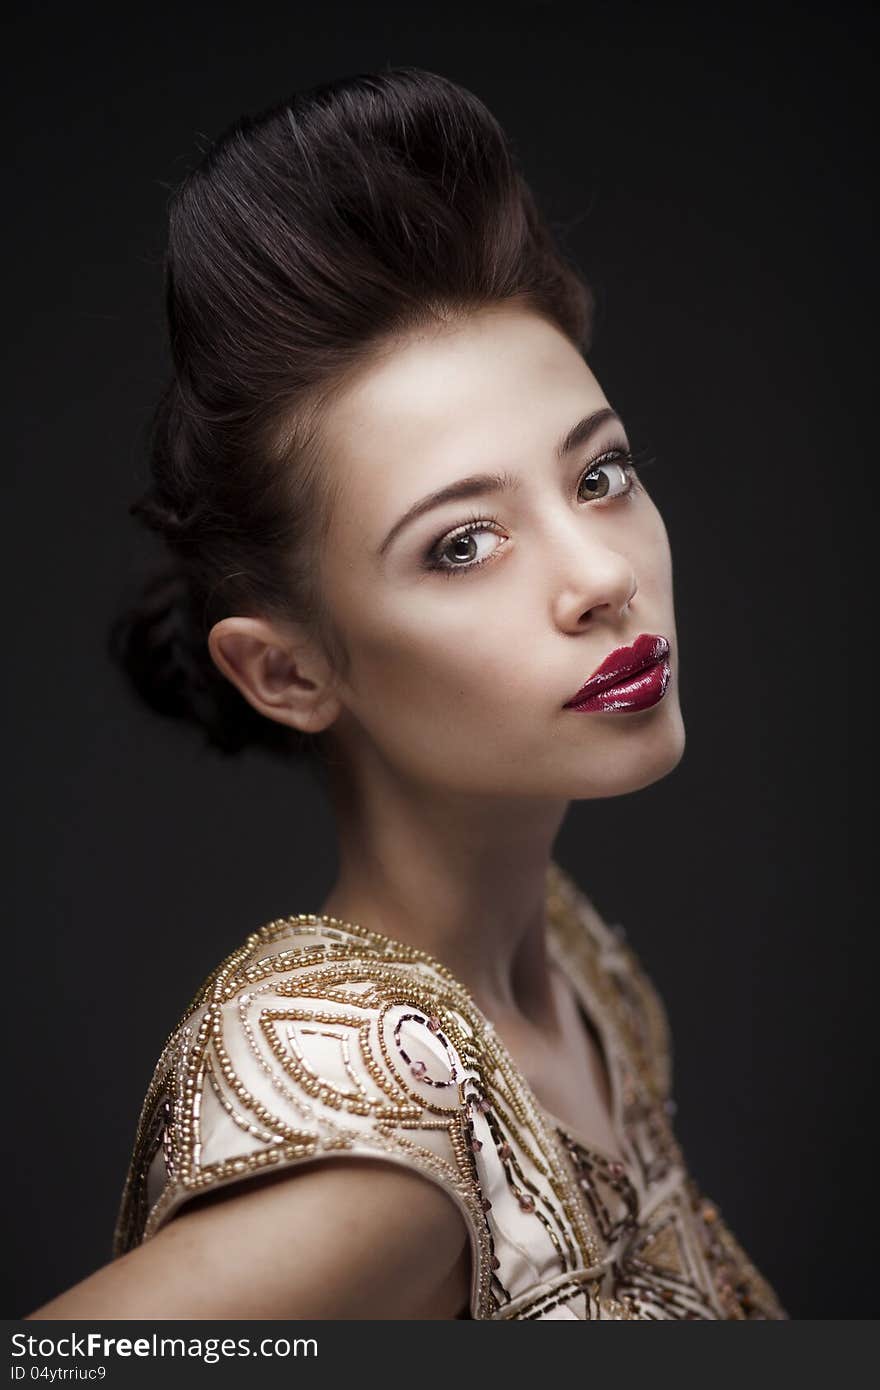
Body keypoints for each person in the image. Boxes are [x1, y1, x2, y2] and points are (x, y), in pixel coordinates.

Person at [25, 66, 787, 1321]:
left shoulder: (588, 981)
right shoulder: (380, 1132)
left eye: (599, 476)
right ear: (287, 670)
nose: (602, 576)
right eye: (461, 543)